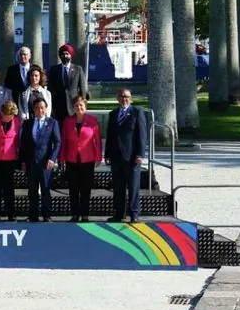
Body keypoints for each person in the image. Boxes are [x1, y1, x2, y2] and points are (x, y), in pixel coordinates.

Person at [105, 88, 147, 223]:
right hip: (116, 157)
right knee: (118, 187)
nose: (124, 99)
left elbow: (142, 134)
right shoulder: (113, 114)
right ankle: (119, 214)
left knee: (133, 187)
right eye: (122, 96)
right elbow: (110, 135)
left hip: (132, 157)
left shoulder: (137, 112)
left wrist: (140, 154)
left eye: (127, 97)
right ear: (117, 98)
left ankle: (134, 214)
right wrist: (107, 154)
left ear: (131, 98)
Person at [60, 94, 101, 223]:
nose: (79, 107)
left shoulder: (92, 120)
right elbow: (63, 140)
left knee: (85, 189)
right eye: (76, 105)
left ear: (85, 106)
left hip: (87, 159)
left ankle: (85, 214)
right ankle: (74, 214)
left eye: (81, 105)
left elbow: (97, 140)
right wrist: (61, 157)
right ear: (73, 107)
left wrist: (99, 156)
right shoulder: (68, 121)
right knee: (73, 189)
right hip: (71, 159)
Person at [19, 97, 61, 222]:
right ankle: (33, 215)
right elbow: (24, 144)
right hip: (31, 163)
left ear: (46, 108)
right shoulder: (27, 124)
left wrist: (53, 159)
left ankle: (46, 215)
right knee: (32, 191)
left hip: (45, 163)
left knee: (45, 190)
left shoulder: (52, 123)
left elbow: (57, 142)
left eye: (42, 107)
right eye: (37, 108)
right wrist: (23, 161)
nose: (40, 110)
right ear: (33, 109)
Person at [0, 101, 23, 221]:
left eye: (10, 117)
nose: (7, 119)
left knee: (9, 188)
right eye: (5, 116)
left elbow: (18, 140)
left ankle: (11, 213)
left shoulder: (17, 122)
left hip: (10, 159)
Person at [47, 43, 89, 124]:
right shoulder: (54, 69)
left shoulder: (78, 69)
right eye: (62, 54)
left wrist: (82, 104)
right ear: (60, 56)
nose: (65, 56)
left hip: (74, 105)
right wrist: (51, 106)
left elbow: (82, 88)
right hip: (59, 105)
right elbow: (50, 89)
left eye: (67, 54)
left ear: (70, 55)